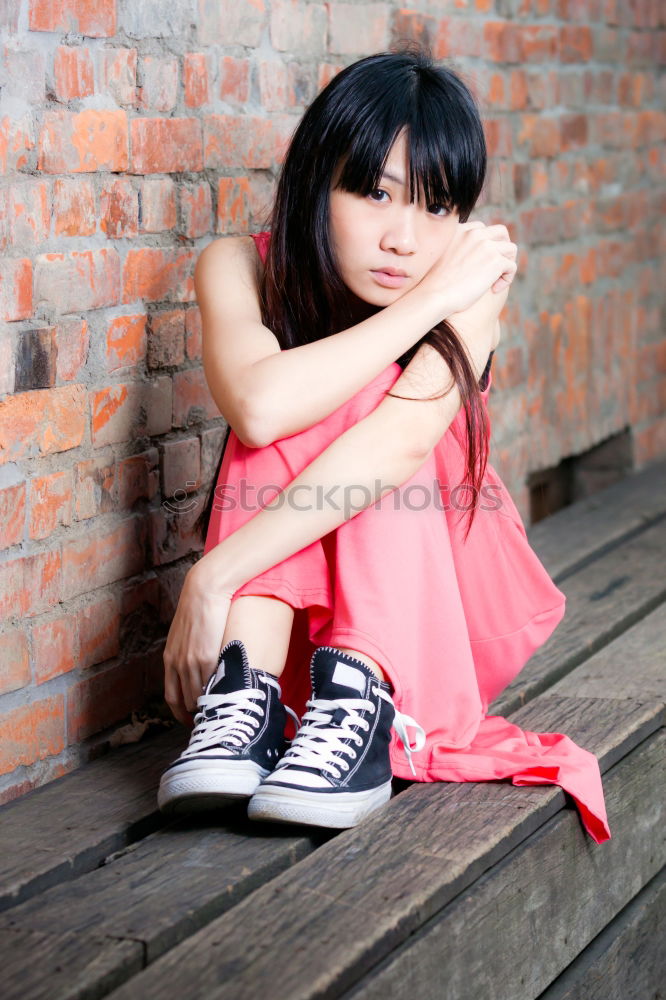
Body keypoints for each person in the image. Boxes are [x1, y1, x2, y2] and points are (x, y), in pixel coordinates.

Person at [157, 47, 611, 844]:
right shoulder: (236, 264)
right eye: (374, 194)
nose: (404, 238)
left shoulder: (470, 296)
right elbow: (259, 407)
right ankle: (246, 697)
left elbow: (397, 445)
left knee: (370, 403)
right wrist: (429, 298)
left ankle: (359, 696)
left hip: (427, 609)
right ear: (316, 185)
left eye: (437, 208)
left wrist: (215, 572)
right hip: (287, 612)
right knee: (300, 388)